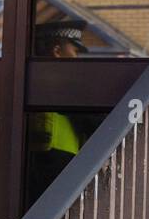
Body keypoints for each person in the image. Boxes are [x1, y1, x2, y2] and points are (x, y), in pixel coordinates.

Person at [25, 18, 99, 204]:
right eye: (74, 51)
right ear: (57, 52)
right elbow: (97, 123)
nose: (77, 60)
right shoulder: (67, 86)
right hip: (59, 170)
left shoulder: (28, 80)